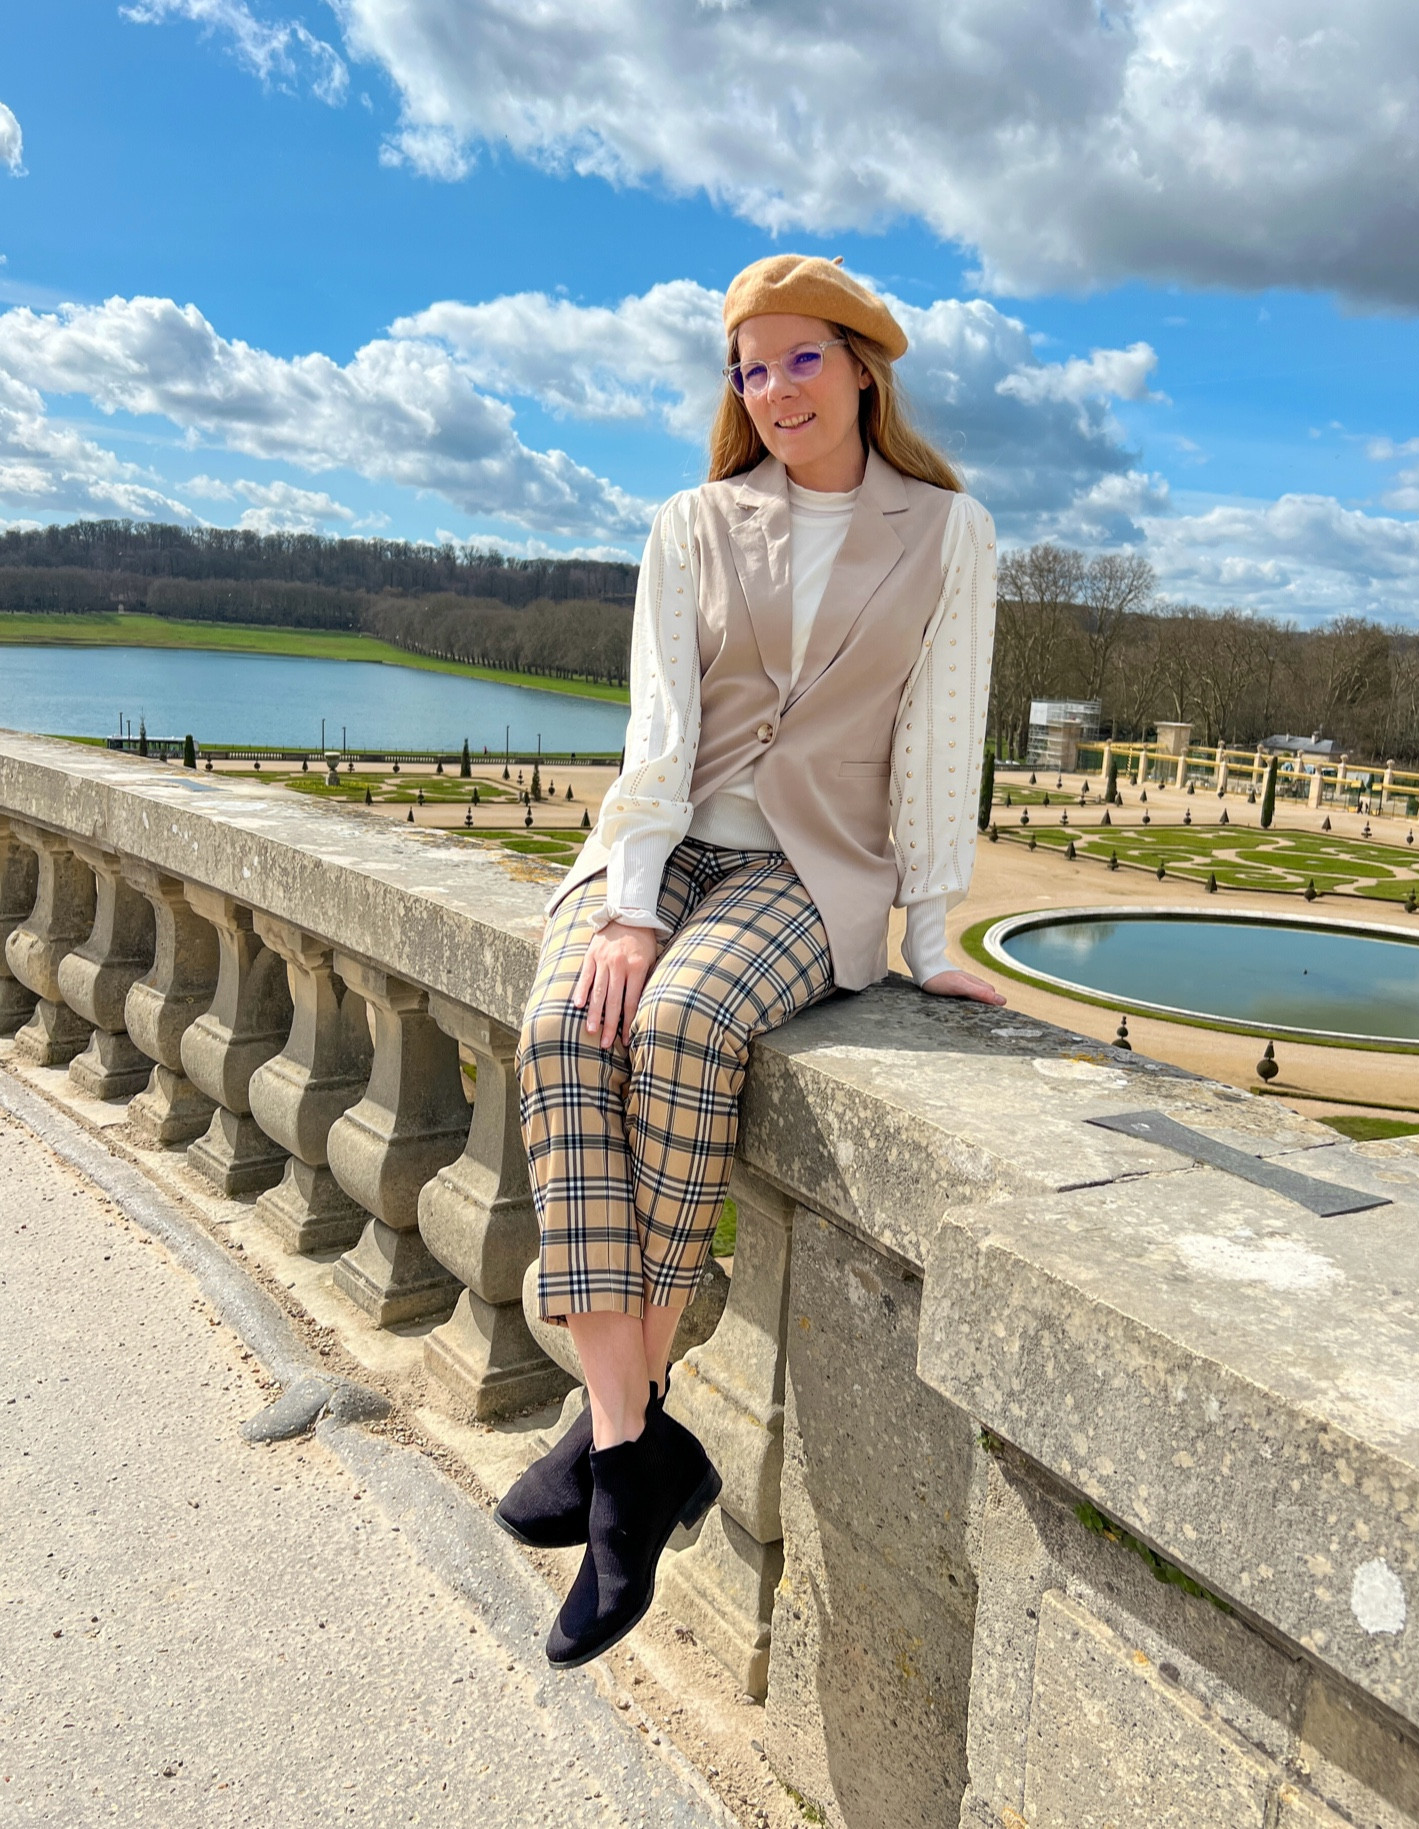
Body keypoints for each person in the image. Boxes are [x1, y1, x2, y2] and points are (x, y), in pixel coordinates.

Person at [495, 253, 1005, 1669]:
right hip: (660, 858)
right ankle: (629, 1454)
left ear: (859, 366)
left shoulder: (949, 533)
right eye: (747, 366)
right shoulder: (693, 522)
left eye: (796, 359)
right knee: (565, 1032)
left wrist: (932, 934)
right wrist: (630, 905)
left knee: (680, 1031)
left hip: (807, 874)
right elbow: (655, 737)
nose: (770, 389)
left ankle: (613, 1454)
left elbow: (938, 737)